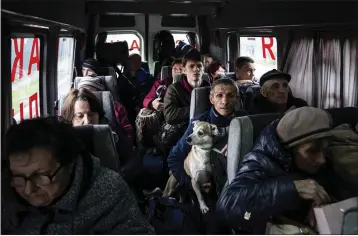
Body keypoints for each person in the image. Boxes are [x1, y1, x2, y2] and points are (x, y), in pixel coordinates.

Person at [2, 117, 154, 234]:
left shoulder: (109, 191)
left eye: (40, 176)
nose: (28, 190)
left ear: (69, 165)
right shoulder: (6, 193)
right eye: (18, 177)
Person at [216, 107, 338, 234]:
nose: (322, 159)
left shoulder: (319, 160)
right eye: (312, 151)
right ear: (289, 150)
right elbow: (226, 206)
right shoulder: (260, 160)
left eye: (325, 150)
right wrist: (292, 188)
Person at [167, 78, 247, 234]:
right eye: (219, 95)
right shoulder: (199, 123)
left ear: (237, 99)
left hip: (239, 185)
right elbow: (174, 158)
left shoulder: (246, 121)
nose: (225, 100)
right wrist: (191, 184)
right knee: (214, 226)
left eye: (231, 96)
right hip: (208, 190)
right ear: (211, 99)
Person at [61, 88, 141, 185]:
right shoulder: (63, 142)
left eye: (91, 114)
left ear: (99, 115)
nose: (87, 121)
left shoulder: (111, 132)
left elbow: (133, 160)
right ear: (70, 119)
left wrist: (119, 177)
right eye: (80, 116)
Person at [162, 49, 210, 150]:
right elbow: (170, 115)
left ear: (203, 69)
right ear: (184, 70)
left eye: (199, 66)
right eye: (191, 66)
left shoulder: (209, 88)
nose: (196, 69)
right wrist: (196, 109)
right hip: (181, 128)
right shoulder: (174, 89)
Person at [76, 76, 134, 146]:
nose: (87, 121)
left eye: (90, 92)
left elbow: (127, 131)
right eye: (80, 116)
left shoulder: (115, 108)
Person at [119, 54, 155, 126]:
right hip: (130, 108)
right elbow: (122, 96)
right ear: (128, 63)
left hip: (145, 105)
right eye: (134, 61)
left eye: (138, 61)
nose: (136, 63)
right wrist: (134, 106)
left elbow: (151, 92)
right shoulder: (123, 78)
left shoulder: (147, 76)